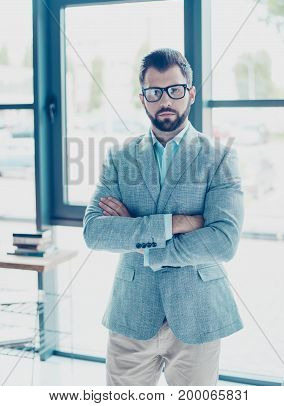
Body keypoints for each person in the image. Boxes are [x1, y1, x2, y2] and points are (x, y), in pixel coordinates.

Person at [83, 48, 244, 386]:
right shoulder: (120, 156)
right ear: (143, 98)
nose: (165, 100)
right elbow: (94, 232)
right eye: (154, 92)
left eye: (174, 90)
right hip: (132, 314)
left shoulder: (219, 156)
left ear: (190, 93)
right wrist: (177, 223)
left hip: (197, 316)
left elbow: (223, 241)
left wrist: (141, 239)